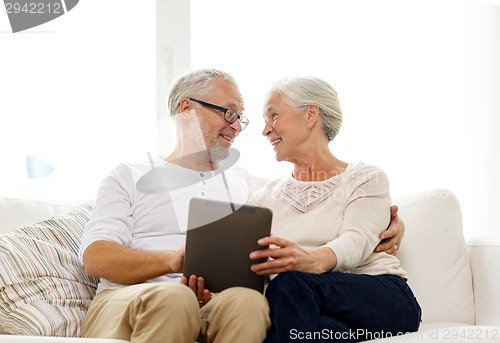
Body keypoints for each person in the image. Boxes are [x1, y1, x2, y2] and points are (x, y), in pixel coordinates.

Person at [78, 69, 404, 343]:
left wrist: (391, 224)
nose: (237, 126)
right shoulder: (130, 175)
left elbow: (315, 201)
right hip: (132, 299)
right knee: (175, 298)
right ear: (187, 109)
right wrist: (172, 261)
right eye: (229, 113)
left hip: (212, 302)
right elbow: (95, 257)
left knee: (248, 301)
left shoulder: (251, 186)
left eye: (241, 118)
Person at [248, 76, 421, 342]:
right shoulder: (264, 197)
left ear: (310, 115)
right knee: (323, 331)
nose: (266, 130)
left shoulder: (365, 178)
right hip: (301, 304)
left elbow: (357, 240)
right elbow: (250, 265)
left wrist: (311, 260)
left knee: (290, 282)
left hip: (381, 299)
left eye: (273, 116)